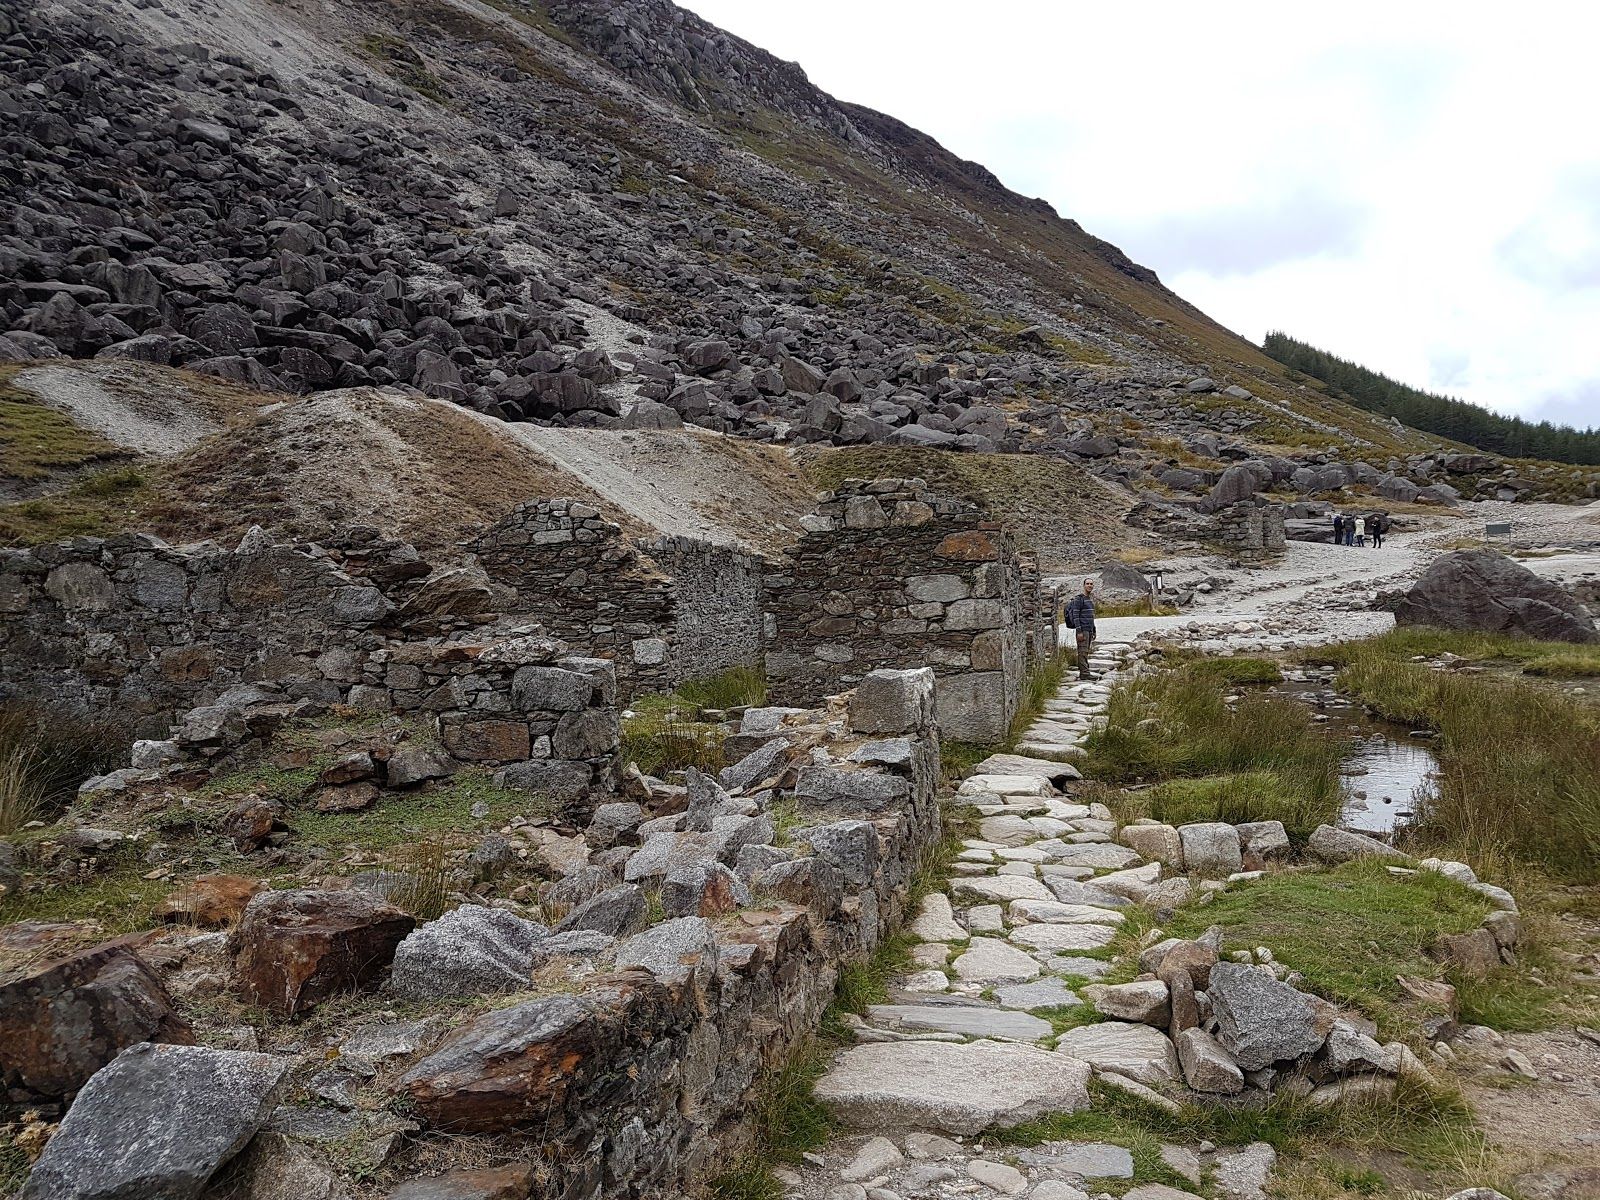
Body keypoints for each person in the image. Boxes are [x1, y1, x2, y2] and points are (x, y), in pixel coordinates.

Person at [1065, 578, 1097, 681]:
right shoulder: (1079, 599)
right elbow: (1076, 615)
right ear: (1084, 585)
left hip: (1089, 630)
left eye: (1091, 584)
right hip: (1082, 630)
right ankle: (1084, 674)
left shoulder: (1090, 600)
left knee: (1086, 652)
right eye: (1087, 584)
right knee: (1082, 652)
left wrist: (1094, 630)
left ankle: (1085, 671)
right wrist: (1079, 631)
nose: (1089, 585)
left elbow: (1091, 616)